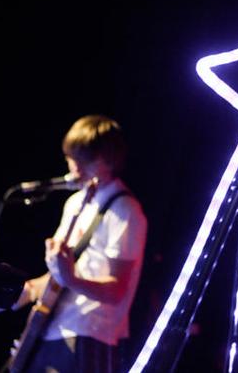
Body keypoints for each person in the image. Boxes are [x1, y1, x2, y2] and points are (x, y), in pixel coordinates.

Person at [13, 114, 147, 372]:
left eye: (85, 159)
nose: (75, 167)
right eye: (71, 157)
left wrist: (70, 278)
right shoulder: (75, 202)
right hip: (50, 327)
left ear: (109, 159)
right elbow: (58, 277)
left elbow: (116, 290)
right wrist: (10, 294)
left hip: (89, 333)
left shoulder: (125, 210)